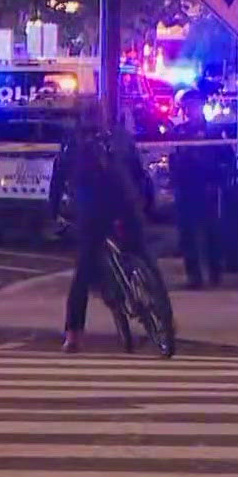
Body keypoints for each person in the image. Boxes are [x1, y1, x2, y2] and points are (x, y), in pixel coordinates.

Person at [48, 100, 155, 353]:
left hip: (105, 207)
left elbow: (59, 179)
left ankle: (74, 333)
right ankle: (75, 331)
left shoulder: (85, 142)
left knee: (87, 270)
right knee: (129, 255)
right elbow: (139, 173)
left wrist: (55, 212)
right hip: (112, 206)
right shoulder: (100, 140)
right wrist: (145, 201)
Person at [166, 91, 235, 289]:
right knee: (187, 234)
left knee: (211, 232)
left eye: (194, 106)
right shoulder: (179, 132)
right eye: (187, 107)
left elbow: (227, 158)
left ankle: (215, 273)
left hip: (207, 187)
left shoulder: (213, 132)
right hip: (186, 187)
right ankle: (194, 276)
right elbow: (173, 158)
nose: (191, 111)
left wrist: (218, 179)